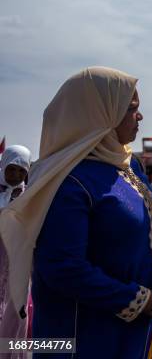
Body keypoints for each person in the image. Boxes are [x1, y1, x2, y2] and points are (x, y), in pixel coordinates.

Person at [0, 67, 152, 358]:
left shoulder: (129, 167)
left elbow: (146, 241)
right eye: (131, 109)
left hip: (132, 333)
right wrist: (146, 301)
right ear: (99, 113)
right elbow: (61, 267)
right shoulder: (67, 181)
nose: (139, 117)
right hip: (82, 338)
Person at [0, 145, 32, 358]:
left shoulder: (31, 195)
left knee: (16, 314)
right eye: (11, 169)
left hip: (19, 262)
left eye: (21, 171)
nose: (15, 175)